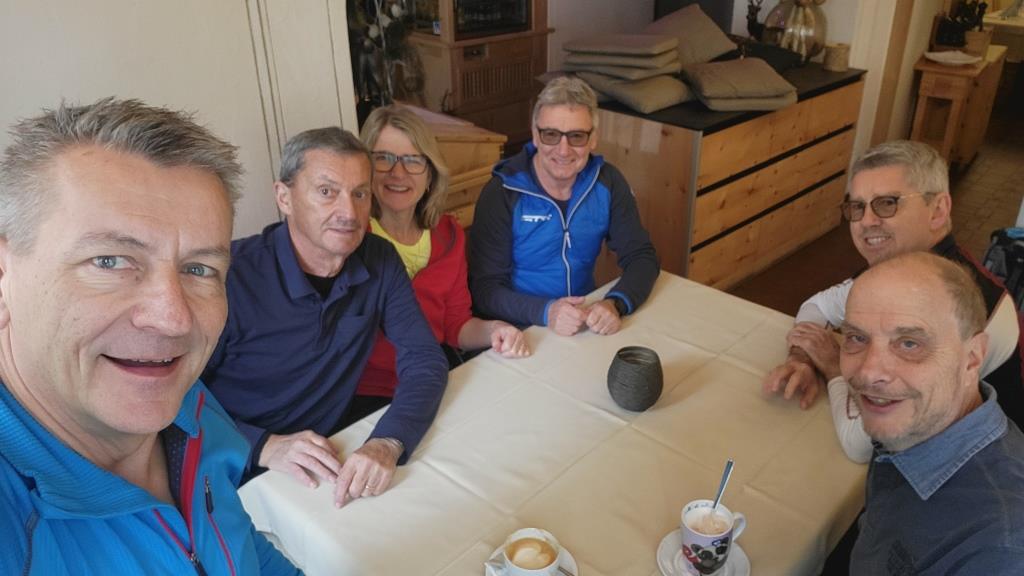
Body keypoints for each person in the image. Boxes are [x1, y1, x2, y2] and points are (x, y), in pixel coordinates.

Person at [0, 98, 299, 574]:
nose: (174, 319)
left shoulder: (188, 406)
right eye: (110, 261)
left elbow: (241, 546)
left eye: (199, 269)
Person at [201, 127, 448, 508]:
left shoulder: (379, 258)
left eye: (359, 194)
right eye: (327, 192)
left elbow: (425, 359)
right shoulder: (226, 278)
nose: (348, 213)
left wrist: (388, 441)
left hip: (330, 457)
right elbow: (173, 400)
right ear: (284, 197)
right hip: (231, 465)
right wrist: (264, 445)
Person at [762, 140, 1023, 462]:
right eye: (857, 207)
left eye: (887, 203)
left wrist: (832, 367)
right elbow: (817, 306)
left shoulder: (963, 303)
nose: (866, 221)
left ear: (938, 210)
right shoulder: (895, 269)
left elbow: (863, 442)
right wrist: (802, 358)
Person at [842, 252, 1024, 574]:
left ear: (972, 358)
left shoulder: (1000, 551)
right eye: (857, 338)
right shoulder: (916, 425)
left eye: (909, 344)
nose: (869, 373)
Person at [351, 105, 529, 414]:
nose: (398, 173)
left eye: (412, 160)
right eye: (384, 158)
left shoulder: (449, 234)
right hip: (367, 392)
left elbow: (456, 325)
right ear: (365, 168)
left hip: (431, 378)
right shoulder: (351, 237)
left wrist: (496, 329)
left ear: (430, 173)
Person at [468, 76, 659, 337]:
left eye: (577, 136)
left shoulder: (608, 182)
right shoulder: (502, 192)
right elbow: (485, 289)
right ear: (535, 135)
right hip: (517, 331)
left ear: (593, 139)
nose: (563, 150)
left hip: (581, 323)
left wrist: (615, 303)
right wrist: (547, 312)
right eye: (551, 135)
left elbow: (642, 256)